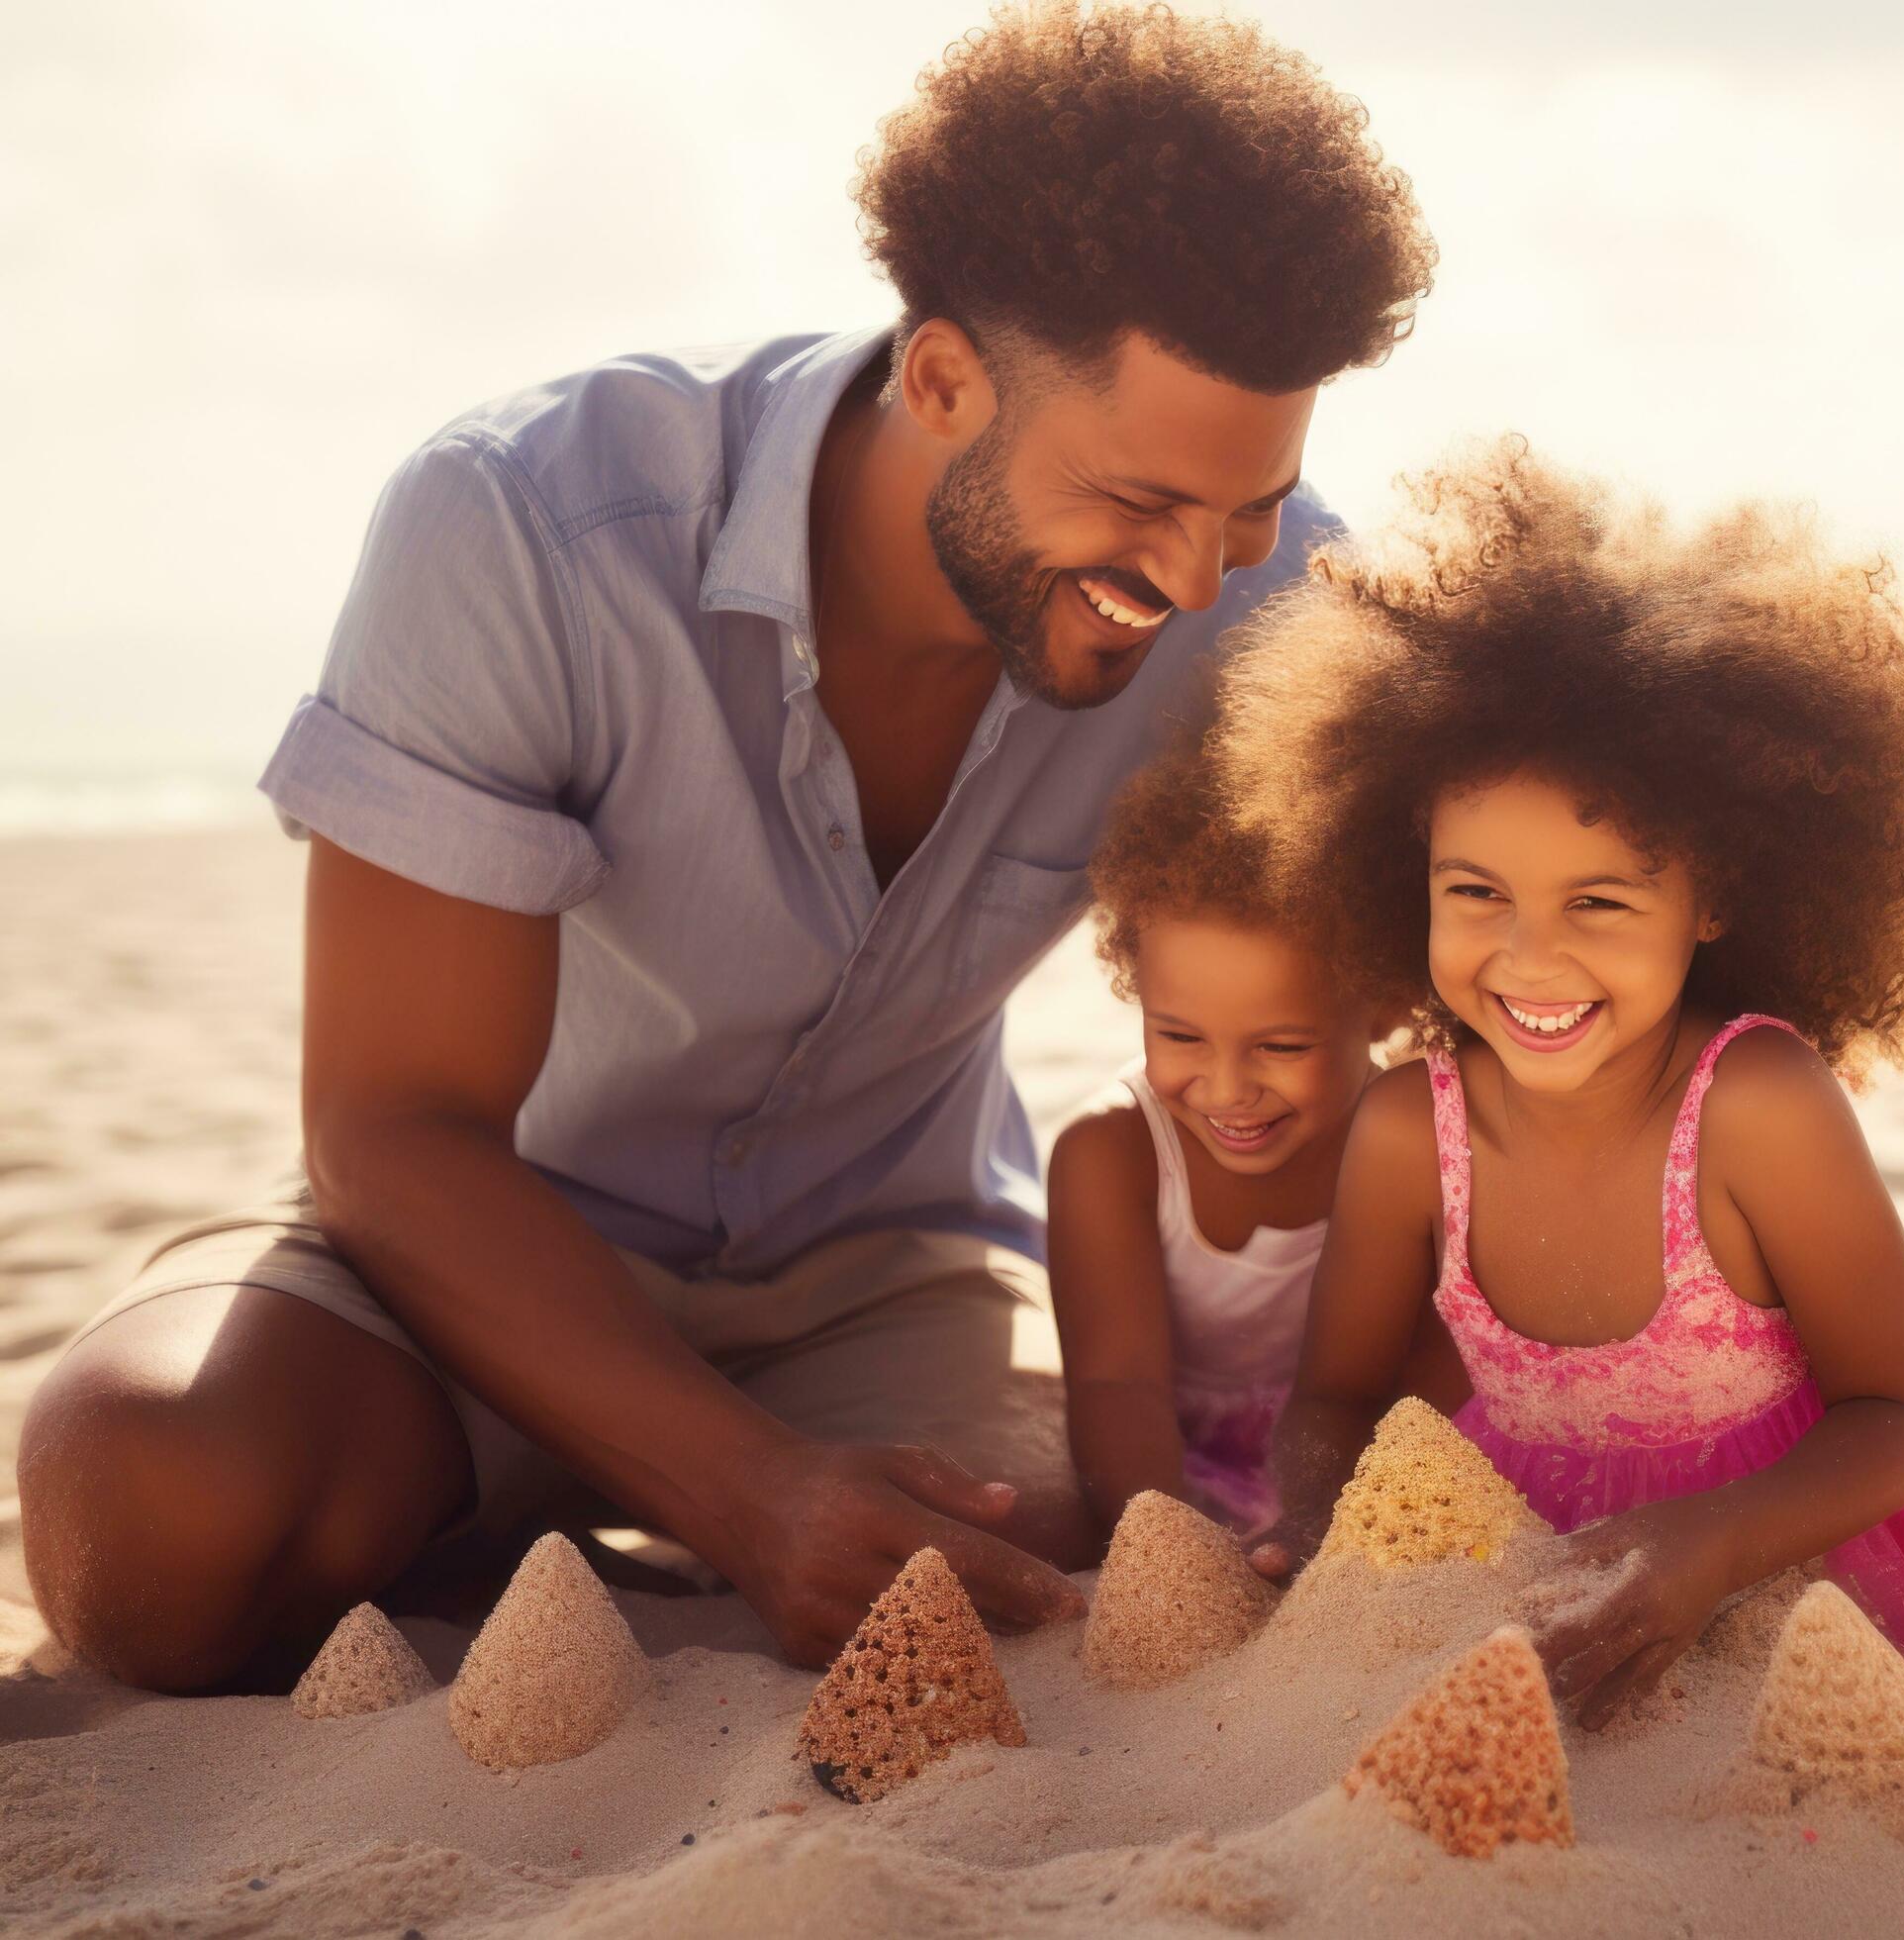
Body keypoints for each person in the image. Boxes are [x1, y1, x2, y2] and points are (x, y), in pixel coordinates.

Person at [17, 4, 1433, 1693]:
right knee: (149, 1514)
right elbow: (393, 1133)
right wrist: (747, 1496)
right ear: (942, 379)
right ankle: (553, 1488)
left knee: (1102, 1537)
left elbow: (1523, 921)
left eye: (1250, 508)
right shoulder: (525, 525)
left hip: (894, 1274)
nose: (1203, 578)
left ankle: (528, 1523)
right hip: (481, 1257)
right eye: (1142, 505)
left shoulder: (1280, 613)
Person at [1226, 444, 1904, 1733]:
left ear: (1712, 898)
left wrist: (1710, 1546)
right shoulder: (1409, 1130)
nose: (1531, 955)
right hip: (1549, 1555)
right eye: (1476, 894)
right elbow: (1332, 1397)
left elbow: (1894, 1420)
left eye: (1600, 901)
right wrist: (1313, 1510)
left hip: (1798, 1552)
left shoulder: (1757, 1105)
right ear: (1413, 879)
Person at [1044, 742, 1393, 1538]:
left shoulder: (1412, 1140)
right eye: (1181, 1035)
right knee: (1024, 1519)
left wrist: (1327, 1521)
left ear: (1386, 1006)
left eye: (1281, 1046)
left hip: (1349, 1469)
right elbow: (1116, 1386)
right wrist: (1165, 1546)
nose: (1228, 1089)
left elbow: (1427, 1379)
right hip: (1159, 1465)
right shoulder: (1111, 1155)